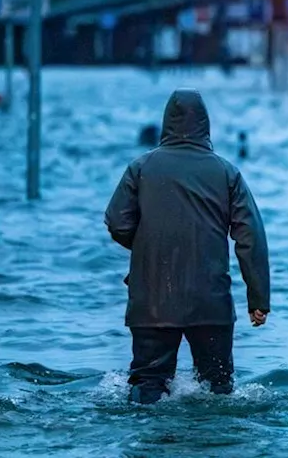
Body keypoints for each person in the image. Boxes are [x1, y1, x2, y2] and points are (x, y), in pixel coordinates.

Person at [105, 89, 271, 404]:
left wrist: (150, 248)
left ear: (166, 124)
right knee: (217, 390)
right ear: (205, 126)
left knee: (148, 389)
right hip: (211, 301)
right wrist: (258, 299)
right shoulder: (226, 172)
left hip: (151, 301)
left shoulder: (140, 168)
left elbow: (117, 222)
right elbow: (251, 237)